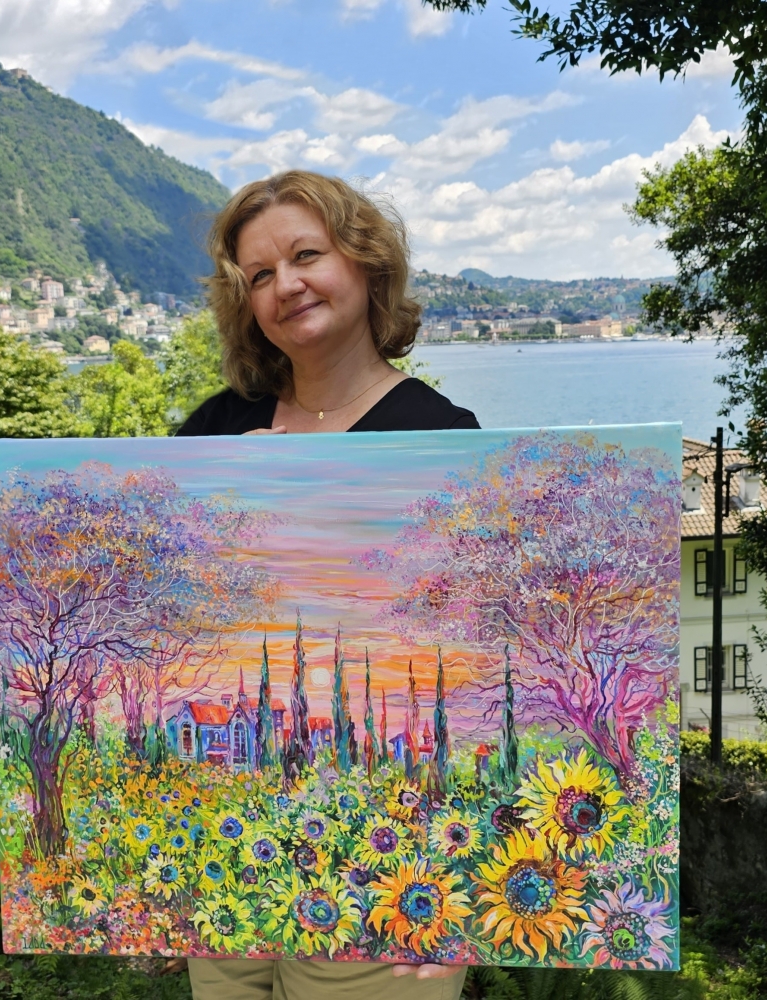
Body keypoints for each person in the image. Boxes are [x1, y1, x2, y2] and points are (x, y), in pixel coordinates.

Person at [176, 170, 479, 1000]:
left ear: (366, 264)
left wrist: (468, 902)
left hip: (382, 891)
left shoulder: (438, 437)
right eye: (260, 275)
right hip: (228, 868)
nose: (286, 286)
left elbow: (465, 665)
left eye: (307, 255)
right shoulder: (215, 427)